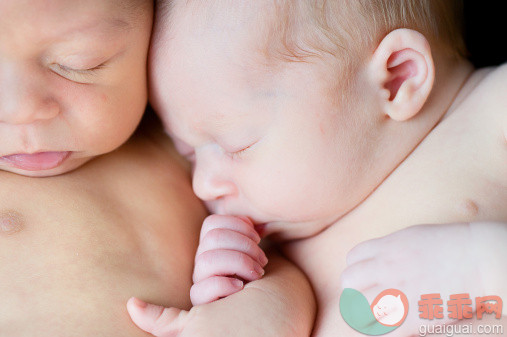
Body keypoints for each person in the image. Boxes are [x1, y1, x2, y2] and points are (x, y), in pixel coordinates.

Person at [128, 0, 506, 336]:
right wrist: (229, 308)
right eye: (189, 154)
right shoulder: (273, 255)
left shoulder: (490, 116)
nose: (203, 185)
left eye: (236, 144)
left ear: (397, 79)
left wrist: (483, 266)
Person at [0, 1, 207, 336]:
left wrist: (253, 308)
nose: (21, 110)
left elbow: (286, 264)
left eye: (79, 62)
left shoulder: (205, 161)